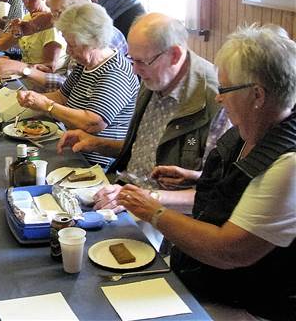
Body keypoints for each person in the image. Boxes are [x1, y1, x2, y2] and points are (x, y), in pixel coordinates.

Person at [117, 25, 296, 319]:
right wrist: (200, 179)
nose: (219, 98)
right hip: (205, 281)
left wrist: (155, 212)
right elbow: (245, 189)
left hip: (245, 306)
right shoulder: (254, 128)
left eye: (225, 89)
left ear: (258, 95)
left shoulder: (288, 165)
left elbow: (229, 251)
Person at [57, 13, 229, 212]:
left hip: (165, 217)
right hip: (125, 191)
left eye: (141, 62)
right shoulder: (155, 77)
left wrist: (145, 197)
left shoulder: (215, 101)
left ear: (174, 55)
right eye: (132, 59)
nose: (135, 70)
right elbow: (144, 151)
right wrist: (96, 143)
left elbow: (215, 192)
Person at [18, 4, 138, 171]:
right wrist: (30, 97)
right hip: (74, 149)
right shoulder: (85, 64)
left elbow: (92, 123)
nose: (68, 50)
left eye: (72, 45)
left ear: (94, 42)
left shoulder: (116, 72)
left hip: (97, 163)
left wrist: (46, 105)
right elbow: (62, 96)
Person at [8, 0, 128, 91]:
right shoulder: (78, 32)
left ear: (76, 8)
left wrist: (25, 70)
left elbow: (75, 89)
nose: (54, 21)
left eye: (57, 13)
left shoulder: (97, 37)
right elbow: (71, 80)